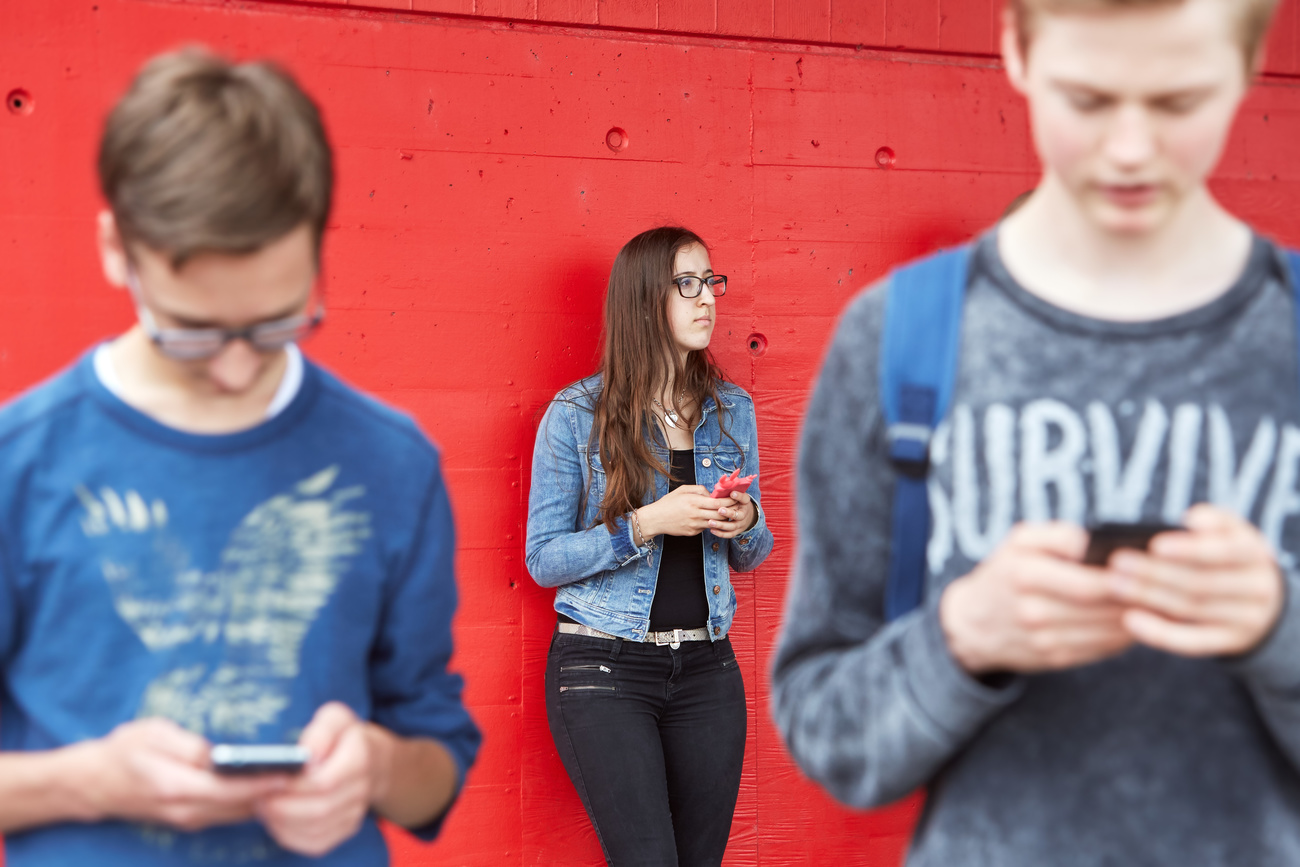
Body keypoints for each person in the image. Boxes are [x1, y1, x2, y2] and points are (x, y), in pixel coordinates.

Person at [772, 0, 1300, 864]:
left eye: (1178, 102)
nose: (1130, 148)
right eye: (1087, 100)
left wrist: (1279, 627)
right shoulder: (899, 336)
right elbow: (830, 733)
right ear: (1016, 49)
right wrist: (963, 637)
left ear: (1248, 65)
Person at [0, 49, 479, 864]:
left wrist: (375, 766)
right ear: (118, 249)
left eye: (277, 325)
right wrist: (94, 781)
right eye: (190, 330)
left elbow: (435, 762)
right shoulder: (21, 462)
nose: (233, 367)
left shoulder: (392, 462)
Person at [526, 227, 774, 866]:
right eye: (686, 285)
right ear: (642, 302)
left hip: (707, 674)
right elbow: (544, 559)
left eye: (711, 282)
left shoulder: (731, 409)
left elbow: (752, 554)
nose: (707, 300)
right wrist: (645, 523)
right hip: (603, 668)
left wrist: (744, 520)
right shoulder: (578, 413)